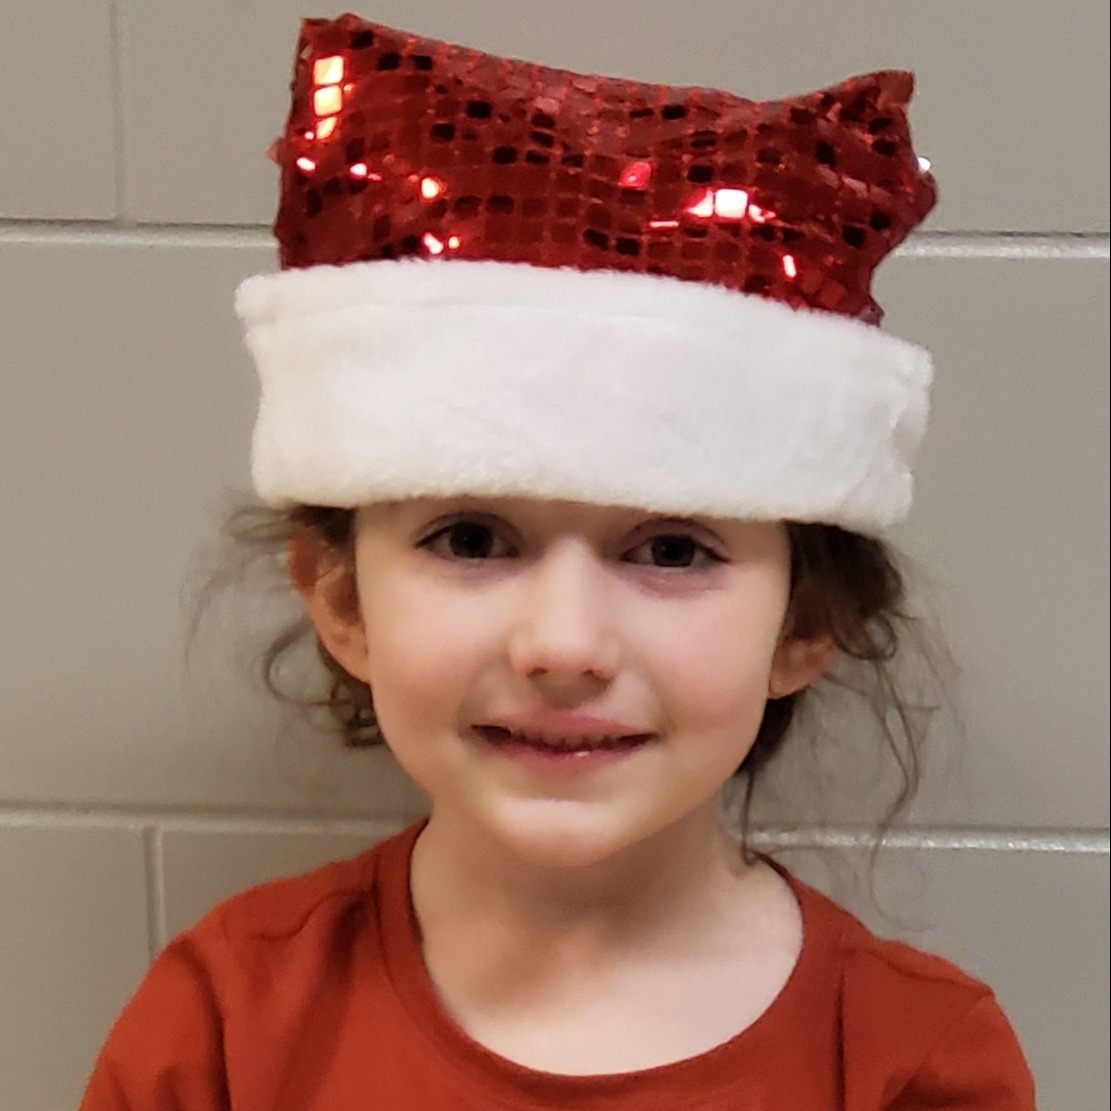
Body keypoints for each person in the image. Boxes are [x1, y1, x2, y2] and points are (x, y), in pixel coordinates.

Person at [78, 13, 1036, 1109]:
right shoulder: (222, 1022)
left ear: (808, 621)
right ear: (341, 598)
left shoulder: (914, 1060)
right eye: (472, 539)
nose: (563, 646)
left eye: (673, 549)